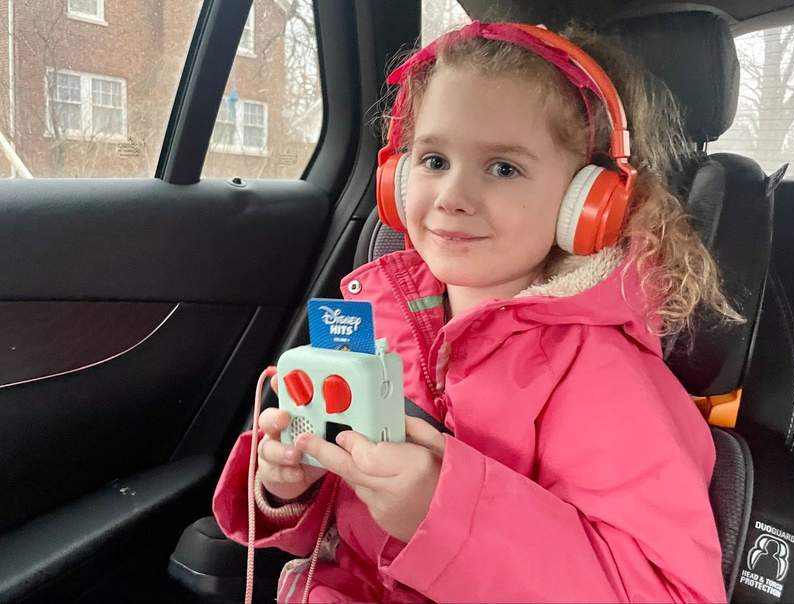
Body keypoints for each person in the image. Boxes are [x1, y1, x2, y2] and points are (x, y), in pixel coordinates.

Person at [213, 20, 740, 603]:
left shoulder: (606, 376)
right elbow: (346, 534)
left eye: (503, 168)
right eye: (434, 160)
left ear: (587, 203)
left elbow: (669, 593)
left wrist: (441, 515)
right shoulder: (378, 319)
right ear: (394, 176)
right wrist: (294, 489)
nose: (452, 196)